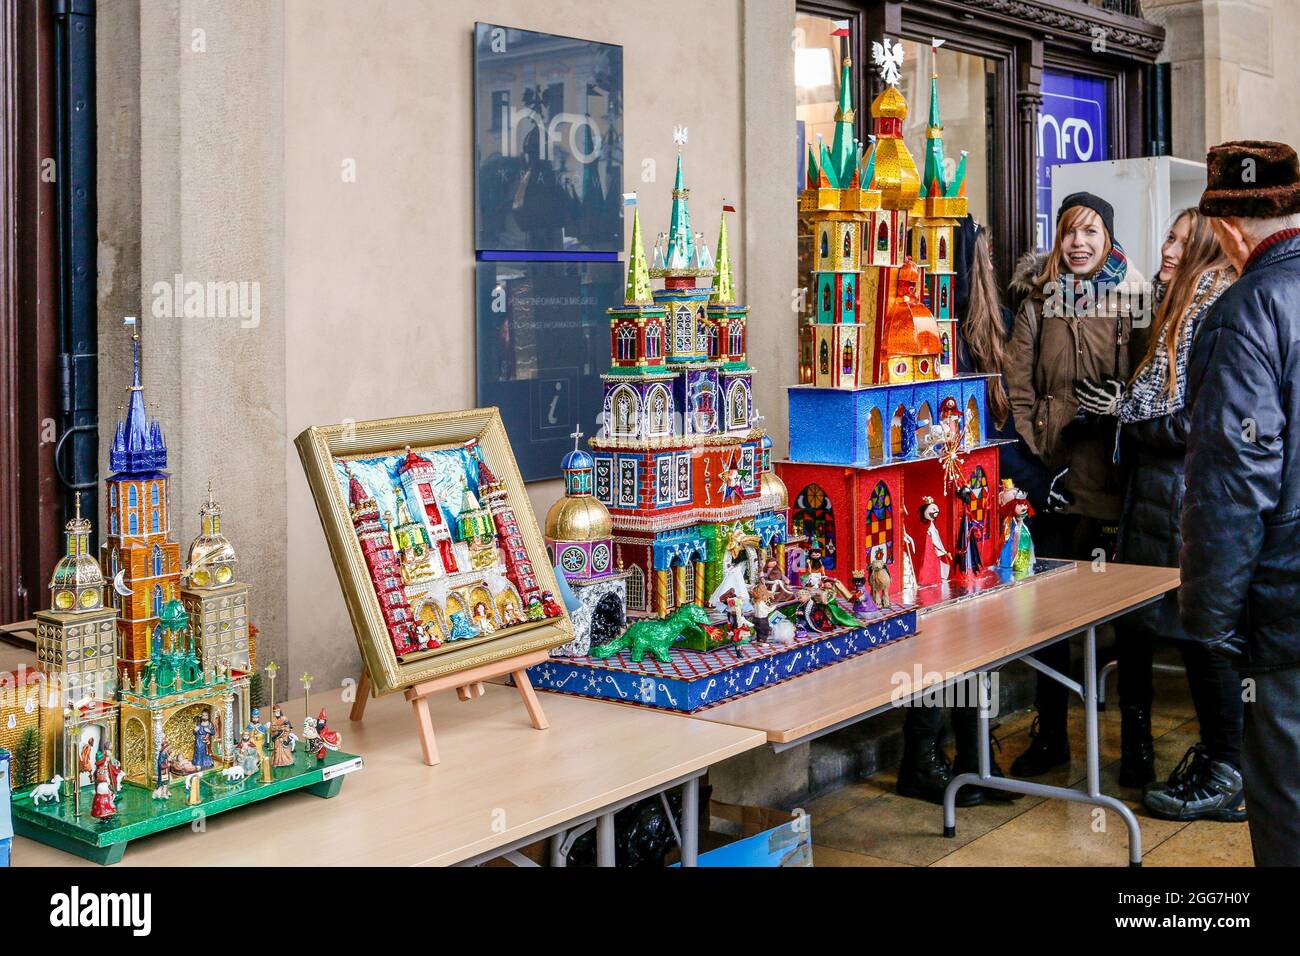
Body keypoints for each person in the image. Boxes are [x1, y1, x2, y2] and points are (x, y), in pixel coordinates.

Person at [1075, 208, 1245, 820]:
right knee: (1145, 624)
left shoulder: (1210, 309)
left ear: (1205, 245)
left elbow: (1202, 419)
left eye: (1178, 240)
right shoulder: (1174, 305)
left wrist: (1134, 421)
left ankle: (1227, 769)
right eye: (1167, 239)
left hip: (1181, 498)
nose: (1166, 250)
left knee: (1205, 635)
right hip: (1155, 497)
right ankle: (1164, 752)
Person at [1179, 141, 1300, 864]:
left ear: (1226, 231)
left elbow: (1232, 485)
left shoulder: (1244, 310)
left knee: (1288, 811)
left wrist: (1209, 624)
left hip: (1285, 611)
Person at [1003, 193, 1146, 777]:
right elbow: (1016, 384)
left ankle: (1136, 743)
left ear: (1108, 237)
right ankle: (1052, 733)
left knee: (1130, 613)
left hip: (1115, 474)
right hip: (1056, 477)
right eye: (1069, 234)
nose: (1079, 243)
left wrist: (1121, 410)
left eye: (1090, 232)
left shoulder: (1135, 296)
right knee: (1050, 611)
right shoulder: (1039, 299)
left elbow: (1151, 376)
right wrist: (1037, 466)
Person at [896, 219, 1036, 805]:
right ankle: (922, 756)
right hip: (917, 483)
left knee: (973, 613)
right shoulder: (905, 314)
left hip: (967, 483)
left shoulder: (982, 319)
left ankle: (973, 745)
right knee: (934, 618)